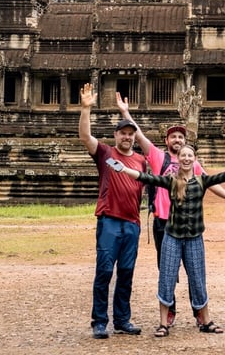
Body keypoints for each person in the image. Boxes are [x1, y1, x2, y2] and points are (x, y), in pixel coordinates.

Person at [116, 94, 225, 327]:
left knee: (194, 268)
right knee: (166, 270)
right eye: (173, 136)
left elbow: (210, 182)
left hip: (189, 224)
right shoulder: (158, 156)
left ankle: (199, 313)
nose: (177, 140)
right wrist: (126, 113)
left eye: (181, 137)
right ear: (167, 141)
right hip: (163, 222)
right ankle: (170, 313)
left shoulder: (191, 162)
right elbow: (140, 137)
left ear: (188, 147)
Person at [105, 144, 225, 337]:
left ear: (194, 159)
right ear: (178, 159)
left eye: (190, 156)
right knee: (167, 278)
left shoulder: (202, 180)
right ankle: (163, 324)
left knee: (198, 278)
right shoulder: (171, 181)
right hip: (172, 237)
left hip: (194, 238)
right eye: (183, 156)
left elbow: (224, 176)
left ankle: (206, 320)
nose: (186, 158)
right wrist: (124, 169)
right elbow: (146, 177)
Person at [78, 83, 145, 340]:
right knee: (105, 271)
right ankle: (99, 321)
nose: (127, 137)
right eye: (123, 134)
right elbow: (86, 137)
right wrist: (86, 109)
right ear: (116, 136)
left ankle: (122, 319)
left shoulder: (141, 160)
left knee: (126, 272)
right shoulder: (106, 153)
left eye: (130, 134)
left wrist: (128, 115)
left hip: (132, 223)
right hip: (109, 221)